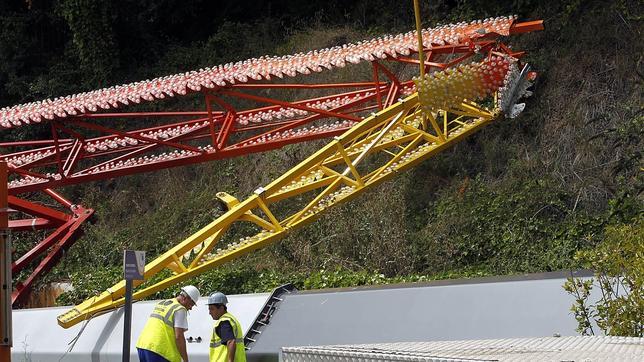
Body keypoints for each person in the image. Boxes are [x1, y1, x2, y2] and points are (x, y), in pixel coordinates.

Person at [136, 285, 201, 362]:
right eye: (191, 304)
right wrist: (186, 360)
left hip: (143, 345)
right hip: (159, 350)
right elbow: (179, 336)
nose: (190, 308)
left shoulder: (163, 303)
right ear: (185, 298)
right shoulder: (179, 309)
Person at [207, 292, 246, 362]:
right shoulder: (231, 319)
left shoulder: (224, 322)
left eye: (212, 309)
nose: (209, 312)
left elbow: (231, 341)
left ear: (221, 308)